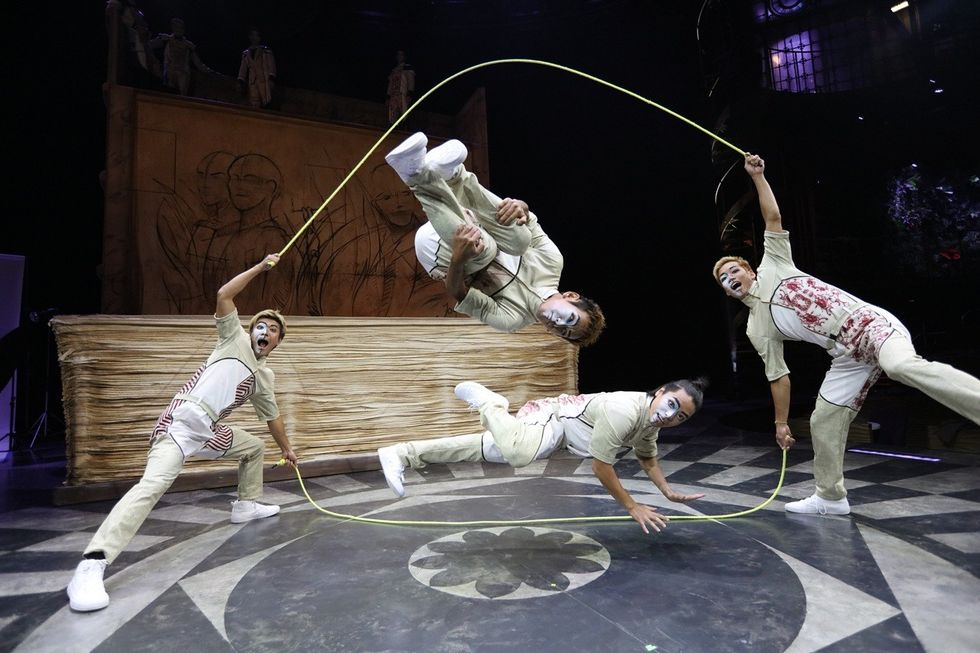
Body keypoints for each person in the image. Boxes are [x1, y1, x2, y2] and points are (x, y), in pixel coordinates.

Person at [712, 154, 980, 516]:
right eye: (723, 280)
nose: (730, 278)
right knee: (823, 419)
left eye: (732, 269)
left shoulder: (774, 263)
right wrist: (780, 423)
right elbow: (778, 375)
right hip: (846, 354)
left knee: (900, 366)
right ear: (728, 293)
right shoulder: (755, 328)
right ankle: (831, 497)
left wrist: (757, 177)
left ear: (747, 270)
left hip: (869, 325)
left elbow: (772, 217)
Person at [66, 254, 298, 612]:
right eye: (261, 326)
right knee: (153, 486)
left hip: (208, 432)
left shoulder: (264, 378)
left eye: (274, 330)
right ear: (251, 330)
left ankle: (247, 504)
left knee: (252, 447)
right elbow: (224, 294)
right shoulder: (231, 338)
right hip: (179, 424)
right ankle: (92, 563)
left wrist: (289, 449)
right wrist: (260, 268)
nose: (266, 332)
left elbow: (273, 417)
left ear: (279, 342)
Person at [378, 378, 708, 534]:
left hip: (561, 439)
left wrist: (668, 492)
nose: (670, 416)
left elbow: (647, 458)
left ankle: (401, 454)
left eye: (681, 417)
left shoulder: (650, 426)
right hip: (554, 417)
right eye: (671, 404)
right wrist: (632, 506)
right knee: (520, 453)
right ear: (660, 392)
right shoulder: (624, 410)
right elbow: (600, 466)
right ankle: (491, 402)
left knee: (491, 449)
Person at [385, 132, 606, 346]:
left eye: (563, 332)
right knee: (520, 240)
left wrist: (459, 258)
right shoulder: (552, 262)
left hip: (441, 252)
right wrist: (521, 206)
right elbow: (527, 219)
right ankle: (451, 176)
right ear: (570, 296)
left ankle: (415, 174)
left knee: (486, 251)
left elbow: (457, 292)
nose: (558, 324)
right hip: (467, 218)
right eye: (569, 319)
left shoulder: (511, 319)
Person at [150, 17, 215, 96]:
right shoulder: (166, 39)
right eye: (176, 26)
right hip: (169, 71)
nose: (178, 29)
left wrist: (208, 71)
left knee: (182, 95)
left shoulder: (188, 45)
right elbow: (150, 45)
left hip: (182, 73)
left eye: (180, 27)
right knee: (168, 94)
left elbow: (197, 62)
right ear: (172, 28)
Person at [237, 27, 276, 108]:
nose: (254, 38)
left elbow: (271, 65)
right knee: (254, 101)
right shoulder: (246, 53)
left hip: (264, 79)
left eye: (256, 36)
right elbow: (243, 68)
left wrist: (271, 77)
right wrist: (241, 80)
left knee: (266, 100)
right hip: (253, 80)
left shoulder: (265, 51)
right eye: (252, 35)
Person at [386, 50, 415, 124]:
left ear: (404, 56)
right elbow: (390, 83)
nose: (399, 56)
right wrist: (388, 96)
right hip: (393, 95)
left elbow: (411, 80)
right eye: (398, 55)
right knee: (392, 115)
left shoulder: (407, 67)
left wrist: (409, 94)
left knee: (404, 114)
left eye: (401, 55)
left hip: (402, 94)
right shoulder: (394, 70)